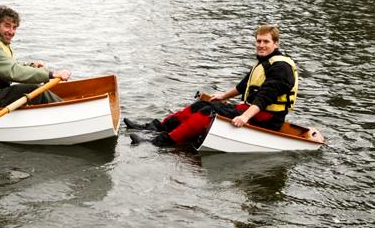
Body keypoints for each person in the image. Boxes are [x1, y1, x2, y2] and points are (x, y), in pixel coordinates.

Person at [125, 24, 298, 146]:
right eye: (258, 41)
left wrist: (245, 117)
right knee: (202, 104)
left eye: (266, 42)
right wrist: (221, 97)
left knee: (208, 112)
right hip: (249, 111)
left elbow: (264, 98)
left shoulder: (281, 67)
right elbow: (242, 87)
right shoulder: (264, 62)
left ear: (276, 44)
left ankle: (161, 142)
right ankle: (154, 128)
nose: (261, 45)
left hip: (266, 119)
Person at [0, 6, 71, 108]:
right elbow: (14, 72)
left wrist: (31, 66)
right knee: (33, 89)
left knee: (33, 84)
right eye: (7, 26)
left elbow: (8, 65)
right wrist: (51, 74)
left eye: (14, 27)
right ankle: (67, 112)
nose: (11, 32)